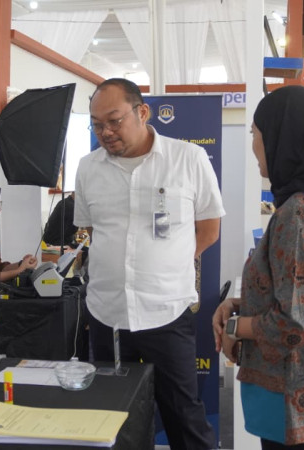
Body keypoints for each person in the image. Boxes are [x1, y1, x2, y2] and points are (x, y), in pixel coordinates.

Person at [74, 78, 225, 449]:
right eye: (96, 124)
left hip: (166, 312)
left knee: (184, 415)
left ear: (142, 112)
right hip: (108, 314)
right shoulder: (88, 168)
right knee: (117, 418)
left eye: (113, 120)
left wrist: (164, 264)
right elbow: (92, 230)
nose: (105, 132)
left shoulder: (187, 159)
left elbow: (208, 229)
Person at [213, 86, 304, 449]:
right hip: (303, 388)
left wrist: (235, 327)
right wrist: (240, 305)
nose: (253, 147)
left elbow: (296, 320)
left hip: (294, 392)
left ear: (284, 137)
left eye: (255, 134)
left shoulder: (298, 213)